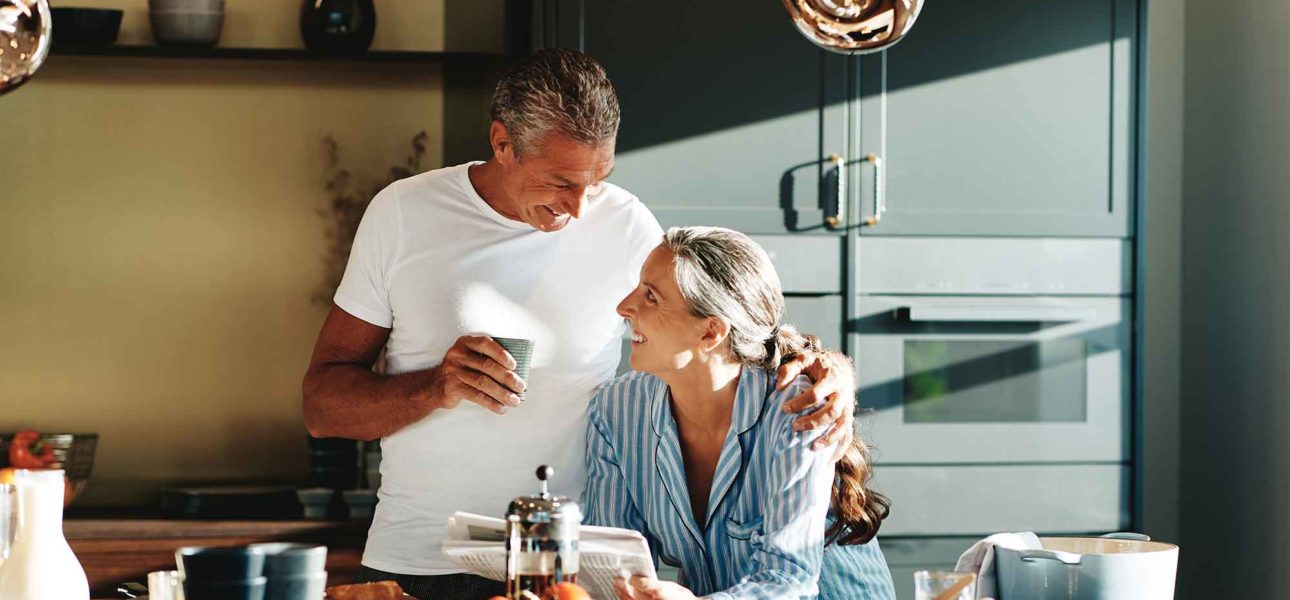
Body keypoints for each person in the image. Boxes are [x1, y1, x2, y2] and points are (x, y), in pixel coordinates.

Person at [301, 49, 864, 600]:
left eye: (597, 180)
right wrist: (436, 385)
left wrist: (830, 369)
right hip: (420, 562)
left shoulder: (622, 221)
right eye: (561, 182)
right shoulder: (404, 213)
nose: (579, 207)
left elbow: (717, 319)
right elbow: (322, 406)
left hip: (567, 571)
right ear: (502, 144)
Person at [585, 227, 896, 600]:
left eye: (650, 297)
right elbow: (610, 567)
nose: (624, 306)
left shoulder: (795, 412)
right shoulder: (616, 411)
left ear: (711, 331)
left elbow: (790, 579)